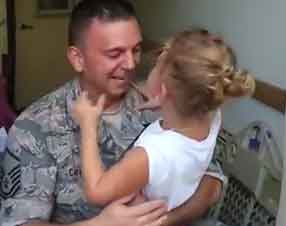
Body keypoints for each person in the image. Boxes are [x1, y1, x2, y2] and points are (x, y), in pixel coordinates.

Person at [1, 1, 225, 225]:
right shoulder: (35, 127)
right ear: (78, 58)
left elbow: (211, 180)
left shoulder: (166, 103)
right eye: (115, 53)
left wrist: (162, 220)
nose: (130, 64)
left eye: (136, 50)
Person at [72, 29, 255, 210]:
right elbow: (192, 106)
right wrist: (165, 104)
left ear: (164, 89)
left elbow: (97, 192)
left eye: (156, 66)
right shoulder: (212, 113)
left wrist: (88, 124)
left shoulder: (152, 154)